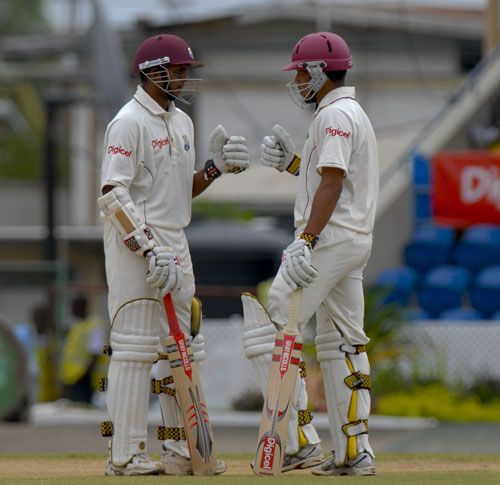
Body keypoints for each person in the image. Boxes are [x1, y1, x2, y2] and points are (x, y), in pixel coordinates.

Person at [97, 33, 249, 476]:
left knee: (180, 350)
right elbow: (111, 193)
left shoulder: (181, 121)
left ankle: (180, 449)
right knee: (133, 348)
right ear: (151, 72)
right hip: (134, 246)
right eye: (177, 70)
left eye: (186, 70)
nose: (184, 77)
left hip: (176, 242)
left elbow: (182, 192)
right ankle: (123, 455)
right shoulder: (127, 121)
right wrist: (146, 247)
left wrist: (214, 169)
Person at [242, 31, 378, 476]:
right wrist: (293, 165)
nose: (298, 79)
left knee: (277, 315)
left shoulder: (333, 116)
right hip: (352, 240)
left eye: (301, 71)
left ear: (319, 71)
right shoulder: (348, 112)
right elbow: (330, 177)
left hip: (331, 238)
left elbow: (335, 183)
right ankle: (352, 453)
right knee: (341, 341)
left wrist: (306, 240)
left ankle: (299, 440)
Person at [59, 295, 106, 404]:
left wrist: (82, 380)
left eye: (73, 306)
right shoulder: (77, 326)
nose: (71, 310)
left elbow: (95, 355)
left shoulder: (94, 326)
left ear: (82, 307)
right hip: (72, 379)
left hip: (85, 380)